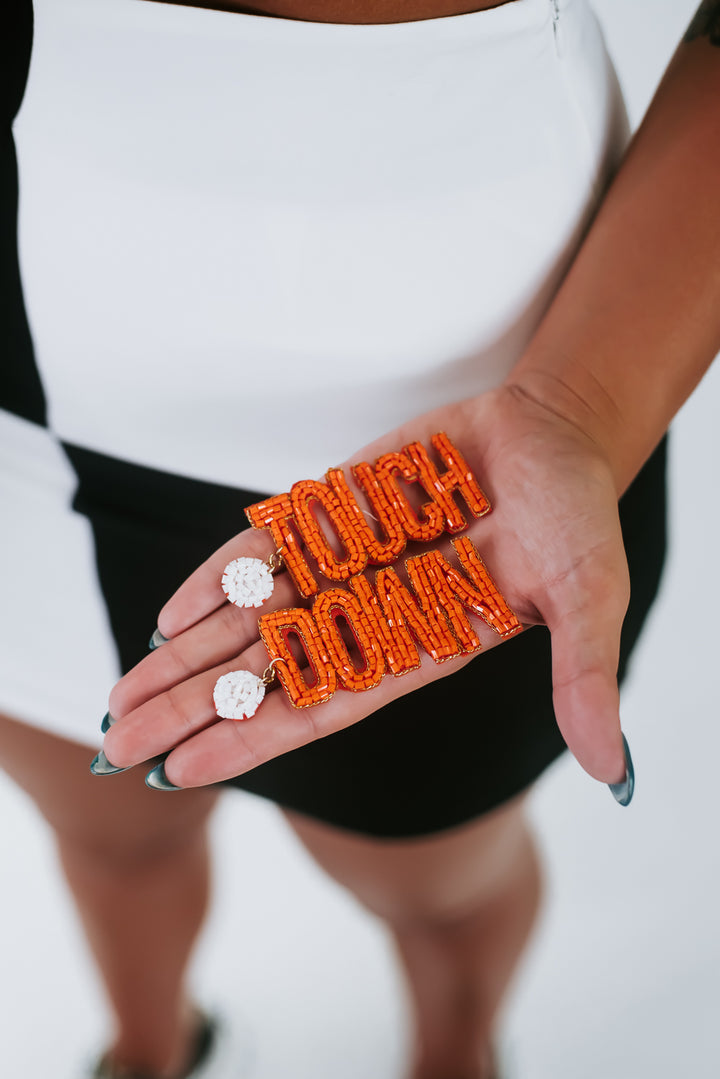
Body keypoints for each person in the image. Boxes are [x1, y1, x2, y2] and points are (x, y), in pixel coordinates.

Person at [0, 0, 717, 1077]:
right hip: (22, 413)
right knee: (105, 829)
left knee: (431, 886)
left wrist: (580, 403)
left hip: (448, 447)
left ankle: (453, 1049)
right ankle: (151, 1049)